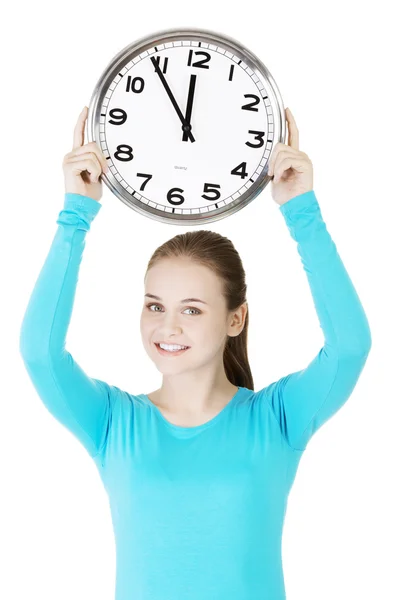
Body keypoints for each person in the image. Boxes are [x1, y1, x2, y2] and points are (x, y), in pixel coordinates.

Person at [19, 105, 372, 600]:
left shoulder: (278, 418)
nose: (167, 326)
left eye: (191, 310)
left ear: (235, 319)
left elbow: (351, 346)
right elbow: (39, 353)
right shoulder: (111, 422)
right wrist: (76, 212)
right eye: (155, 305)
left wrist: (301, 210)